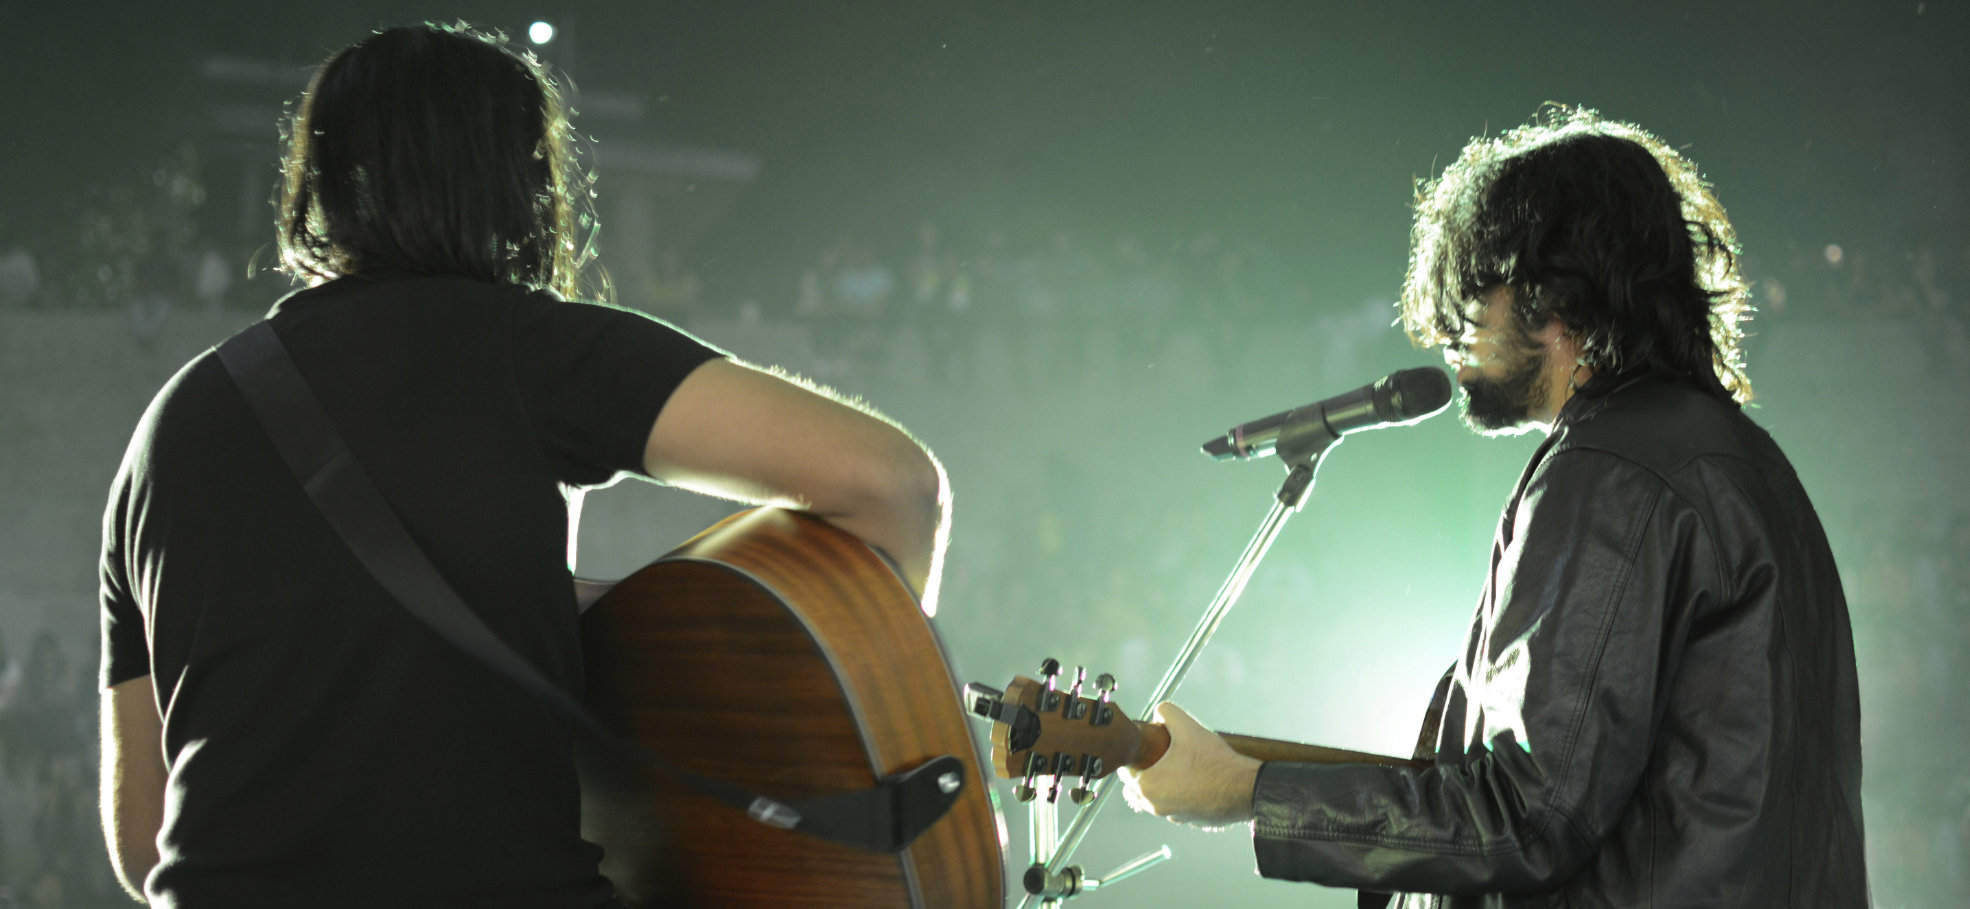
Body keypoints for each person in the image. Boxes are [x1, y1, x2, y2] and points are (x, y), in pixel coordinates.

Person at [97, 24, 950, 908]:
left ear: (318, 183)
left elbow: (142, 838)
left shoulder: (168, 426)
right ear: (520, 188)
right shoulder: (526, 347)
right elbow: (891, 485)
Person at [1119, 106, 1867, 907]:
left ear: (1553, 296)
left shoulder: (1608, 471)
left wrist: (1245, 793)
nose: (1446, 328)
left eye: (1474, 289)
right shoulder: (1747, 462)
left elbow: (1528, 815)